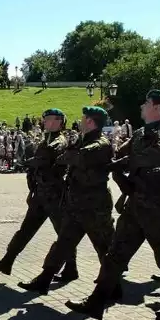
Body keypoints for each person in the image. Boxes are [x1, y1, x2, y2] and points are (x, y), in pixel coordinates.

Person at [65, 90, 160, 320]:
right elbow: (119, 156)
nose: (141, 105)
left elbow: (147, 158)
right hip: (136, 206)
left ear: (158, 108)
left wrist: (121, 164)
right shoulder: (138, 134)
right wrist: (109, 165)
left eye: (146, 103)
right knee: (115, 256)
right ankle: (97, 302)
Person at [18, 106, 116, 295]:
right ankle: (44, 279)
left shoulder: (100, 143)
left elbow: (74, 157)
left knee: (103, 246)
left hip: (95, 206)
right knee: (63, 243)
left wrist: (67, 156)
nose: (79, 121)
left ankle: (112, 286)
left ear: (90, 121)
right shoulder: (83, 139)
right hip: (78, 203)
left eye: (83, 118)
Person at [0, 108, 79, 280]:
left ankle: (71, 269)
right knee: (25, 230)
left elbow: (47, 158)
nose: (46, 122)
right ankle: (7, 260)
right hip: (41, 194)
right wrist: (32, 189)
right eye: (45, 119)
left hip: (56, 196)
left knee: (64, 233)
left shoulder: (60, 141)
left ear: (60, 122)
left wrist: (30, 161)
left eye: (50, 119)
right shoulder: (46, 140)